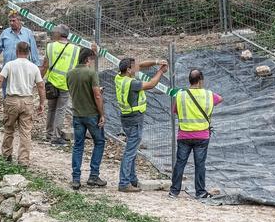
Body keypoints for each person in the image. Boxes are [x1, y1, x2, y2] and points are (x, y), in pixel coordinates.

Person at [169, 69, 223, 200]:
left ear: (190, 80)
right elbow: (220, 99)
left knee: (180, 163)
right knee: (200, 164)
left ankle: (174, 191)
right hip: (202, 136)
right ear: (200, 81)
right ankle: (200, 192)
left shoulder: (180, 95)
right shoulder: (208, 95)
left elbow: (174, 110)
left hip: (184, 135)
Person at [115, 58, 168, 192]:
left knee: (131, 149)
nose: (137, 68)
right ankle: (124, 182)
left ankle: (132, 179)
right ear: (128, 70)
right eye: (134, 67)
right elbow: (151, 84)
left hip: (125, 117)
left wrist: (156, 61)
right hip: (134, 118)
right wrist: (161, 71)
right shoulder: (132, 83)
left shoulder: (119, 77)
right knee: (130, 151)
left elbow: (141, 65)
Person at [0, 42, 46, 165]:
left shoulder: (10, 65)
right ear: (28, 52)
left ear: (16, 51)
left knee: (9, 129)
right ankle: (23, 160)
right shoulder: (33, 67)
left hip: (12, 100)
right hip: (27, 100)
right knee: (25, 132)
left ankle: (6, 156)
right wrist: (42, 102)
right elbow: (40, 85)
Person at [67, 48, 107, 190]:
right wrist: (101, 113)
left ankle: (76, 178)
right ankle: (93, 176)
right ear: (87, 59)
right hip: (91, 115)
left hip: (77, 114)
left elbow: (74, 91)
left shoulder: (70, 73)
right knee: (99, 142)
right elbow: (97, 95)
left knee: (78, 146)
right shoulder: (91, 73)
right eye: (92, 59)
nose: (92, 62)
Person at [40, 24, 81, 146]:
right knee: (60, 110)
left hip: (52, 82)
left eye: (54, 32)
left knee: (51, 108)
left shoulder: (50, 46)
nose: (53, 33)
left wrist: (39, 79)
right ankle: (56, 136)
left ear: (58, 33)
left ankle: (48, 133)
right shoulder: (76, 49)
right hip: (66, 83)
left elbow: (45, 65)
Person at [0, 11, 41, 96]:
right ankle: (7, 103)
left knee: (23, 89)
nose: (11, 23)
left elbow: (33, 51)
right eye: (10, 21)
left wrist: (37, 66)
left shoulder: (28, 33)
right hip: (8, 67)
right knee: (6, 89)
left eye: (14, 21)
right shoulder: (5, 33)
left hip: (23, 68)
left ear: (19, 21)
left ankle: (23, 104)